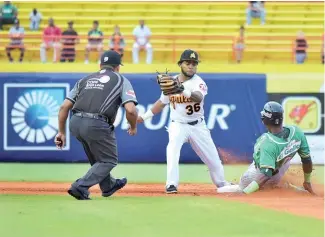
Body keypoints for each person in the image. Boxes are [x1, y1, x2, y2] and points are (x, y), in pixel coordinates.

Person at [137, 49, 229, 194]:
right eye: (188, 63)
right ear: (180, 64)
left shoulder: (199, 82)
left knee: (213, 161)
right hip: (178, 124)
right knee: (172, 149)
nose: (191, 66)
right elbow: (162, 102)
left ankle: (222, 183)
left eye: (194, 63)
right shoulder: (171, 82)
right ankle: (171, 184)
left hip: (198, 125)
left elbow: (198, 97)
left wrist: (182, 89)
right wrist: (144, 117)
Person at [54, 50, 139, 200]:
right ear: (118, 67)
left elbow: (64, 107)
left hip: (75, 123)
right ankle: (80, 186)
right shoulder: (121, 80)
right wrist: (133, 127)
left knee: (98, 157)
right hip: (97, 124)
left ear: (100, 65)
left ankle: (108, 185)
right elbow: (131, 110)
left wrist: (61, 132)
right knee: (108, 160)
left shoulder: (84, 80)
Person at [217, 101, 315, 195]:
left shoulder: (266, 141)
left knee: (225, 189)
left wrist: (245, 192)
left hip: (258, 176)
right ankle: (280, 186)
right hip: (278, 172)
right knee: (281, 161)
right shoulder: (297, 132)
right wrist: (307, 181)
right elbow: (306, 159)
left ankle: (248, 187)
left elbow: (265, 174)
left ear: (265, 119)